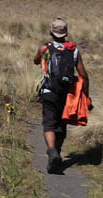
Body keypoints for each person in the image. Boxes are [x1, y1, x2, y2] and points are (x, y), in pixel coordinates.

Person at [32, 17, 89, 173]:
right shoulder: (74, 50)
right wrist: (86, 97)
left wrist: (40, 56)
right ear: (66, 33)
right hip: (67, 92)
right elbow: (83, 75)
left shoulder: (45, 48)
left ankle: (52, 151)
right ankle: (56, 156)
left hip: (49, 90)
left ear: (51, 31)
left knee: (49, 122)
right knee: (62, 123)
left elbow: (36, 61)